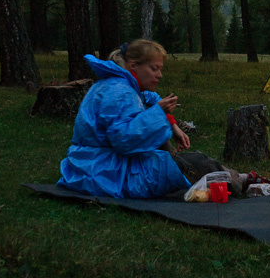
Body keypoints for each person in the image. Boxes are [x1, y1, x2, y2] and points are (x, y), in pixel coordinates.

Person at [58, 39, 244, 199]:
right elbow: (123, 140)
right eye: (154, 69)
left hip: (93, 165)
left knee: (194, 160)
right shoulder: (120, 92)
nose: (159, 75)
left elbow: (150, 98)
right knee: (198, 165)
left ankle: (240, 178)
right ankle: (243, 183)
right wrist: (157, 113)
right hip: (107, 173)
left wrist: (171, 124)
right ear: (133, 66)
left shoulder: (118, 84)